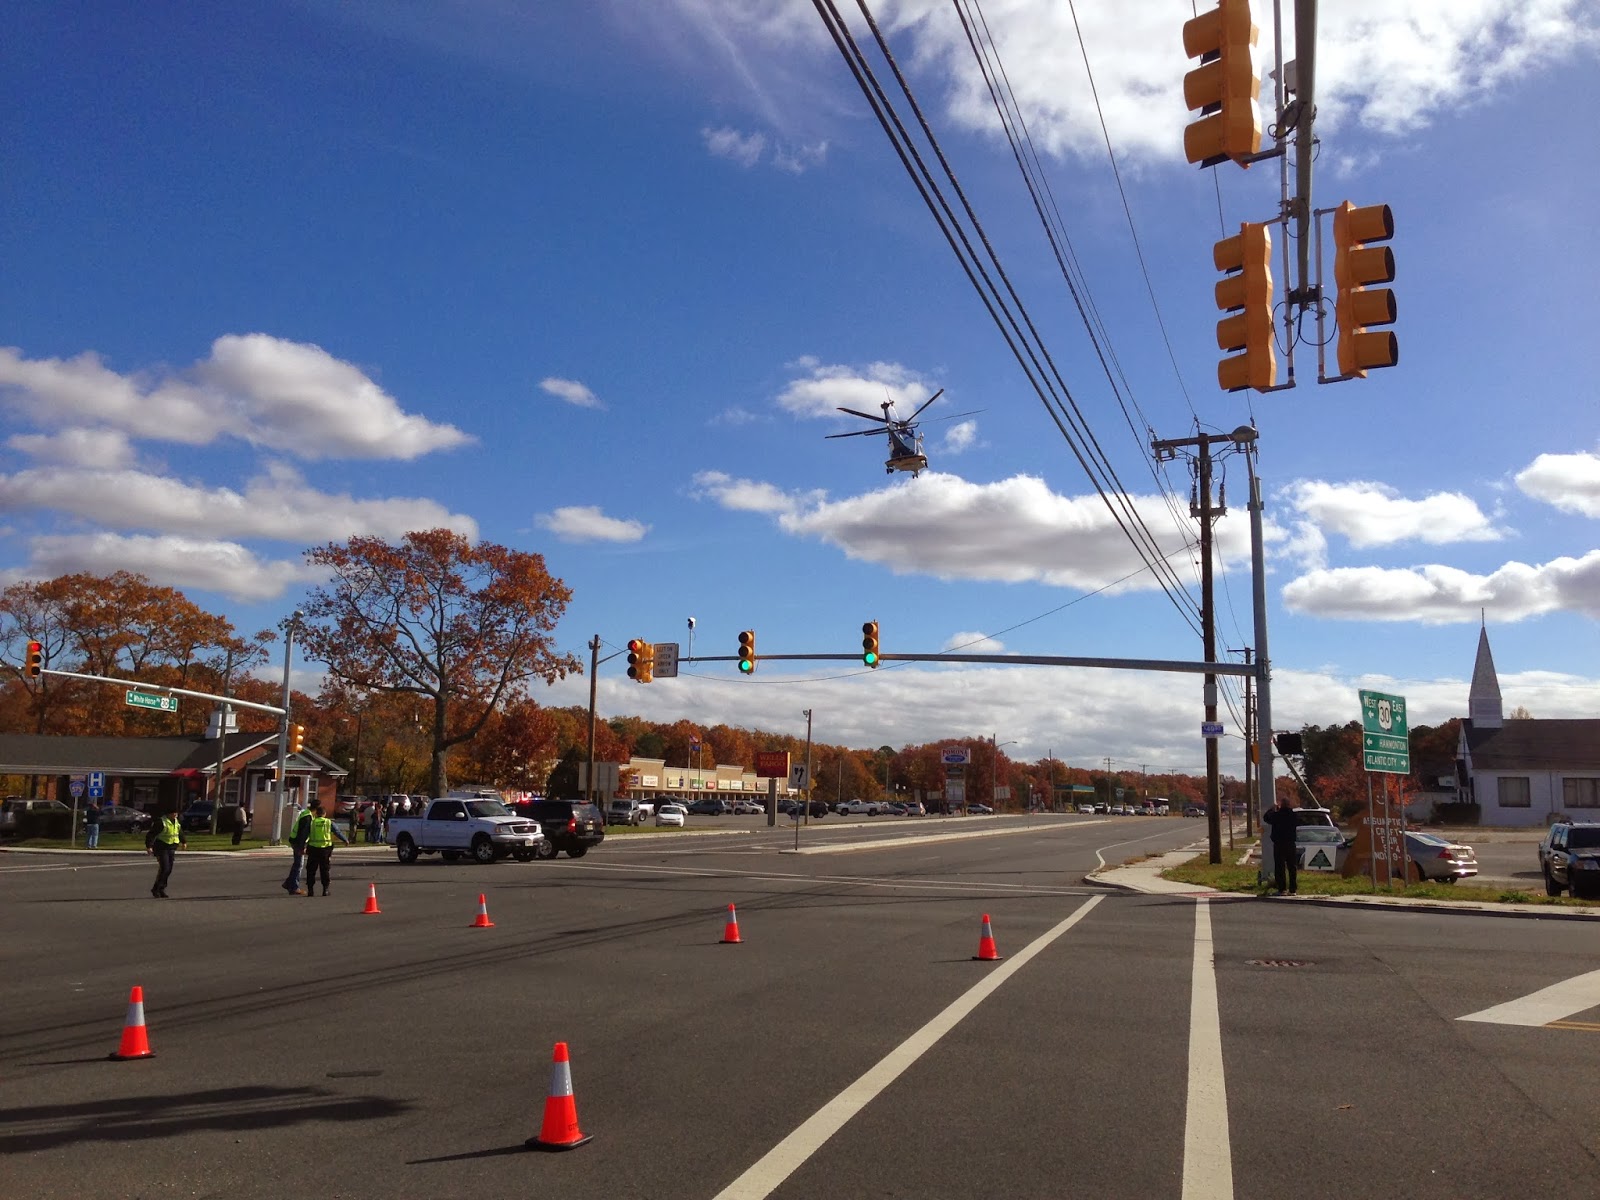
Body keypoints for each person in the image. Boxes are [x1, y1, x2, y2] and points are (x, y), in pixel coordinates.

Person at [303, 798, 350, 898]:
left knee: (311, 870)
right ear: (324, 814)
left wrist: (303, 846)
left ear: (316, 814)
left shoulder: (312, 823)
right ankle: (325, 889)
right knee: (324, 870)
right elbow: (337, 832)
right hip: (325, 850)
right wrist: (345, 840)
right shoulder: (328, 822)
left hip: (313, 849)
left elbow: (305, 835)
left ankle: (310, 890)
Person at [144, 805, 186, 898]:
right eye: (173, 813)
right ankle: (156, 889)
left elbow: (179, 832)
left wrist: (184, 841)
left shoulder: (176, 822)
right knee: (165, 868)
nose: (175, 815)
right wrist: (149, 846)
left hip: (171, 847)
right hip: (161, 848)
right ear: (168, 814)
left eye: (176, 813)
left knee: (169, 870)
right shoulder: (161, 822)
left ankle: (161, 888)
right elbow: (151, 834)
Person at [1262, 795, 1300, 895]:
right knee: (1292, 867)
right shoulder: (1293, 815)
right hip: (1290, 843)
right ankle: (1293, 889)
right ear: (1289, 805)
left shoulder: (1276, 815)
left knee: (1280, 867)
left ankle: (1282, 889)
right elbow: (1299, 821)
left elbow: (1266, 818)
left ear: (1281, 805)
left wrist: (1272, 809)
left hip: (1279, 844)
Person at [282, 799, 311, 895]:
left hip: (294, 840)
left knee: (297, 864)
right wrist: (302, 847)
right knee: (299, 865)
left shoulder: (305, 814)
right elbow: (303, 834)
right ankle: (294, 887)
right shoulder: (308, 817)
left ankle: (288, 883)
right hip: (298, 843)